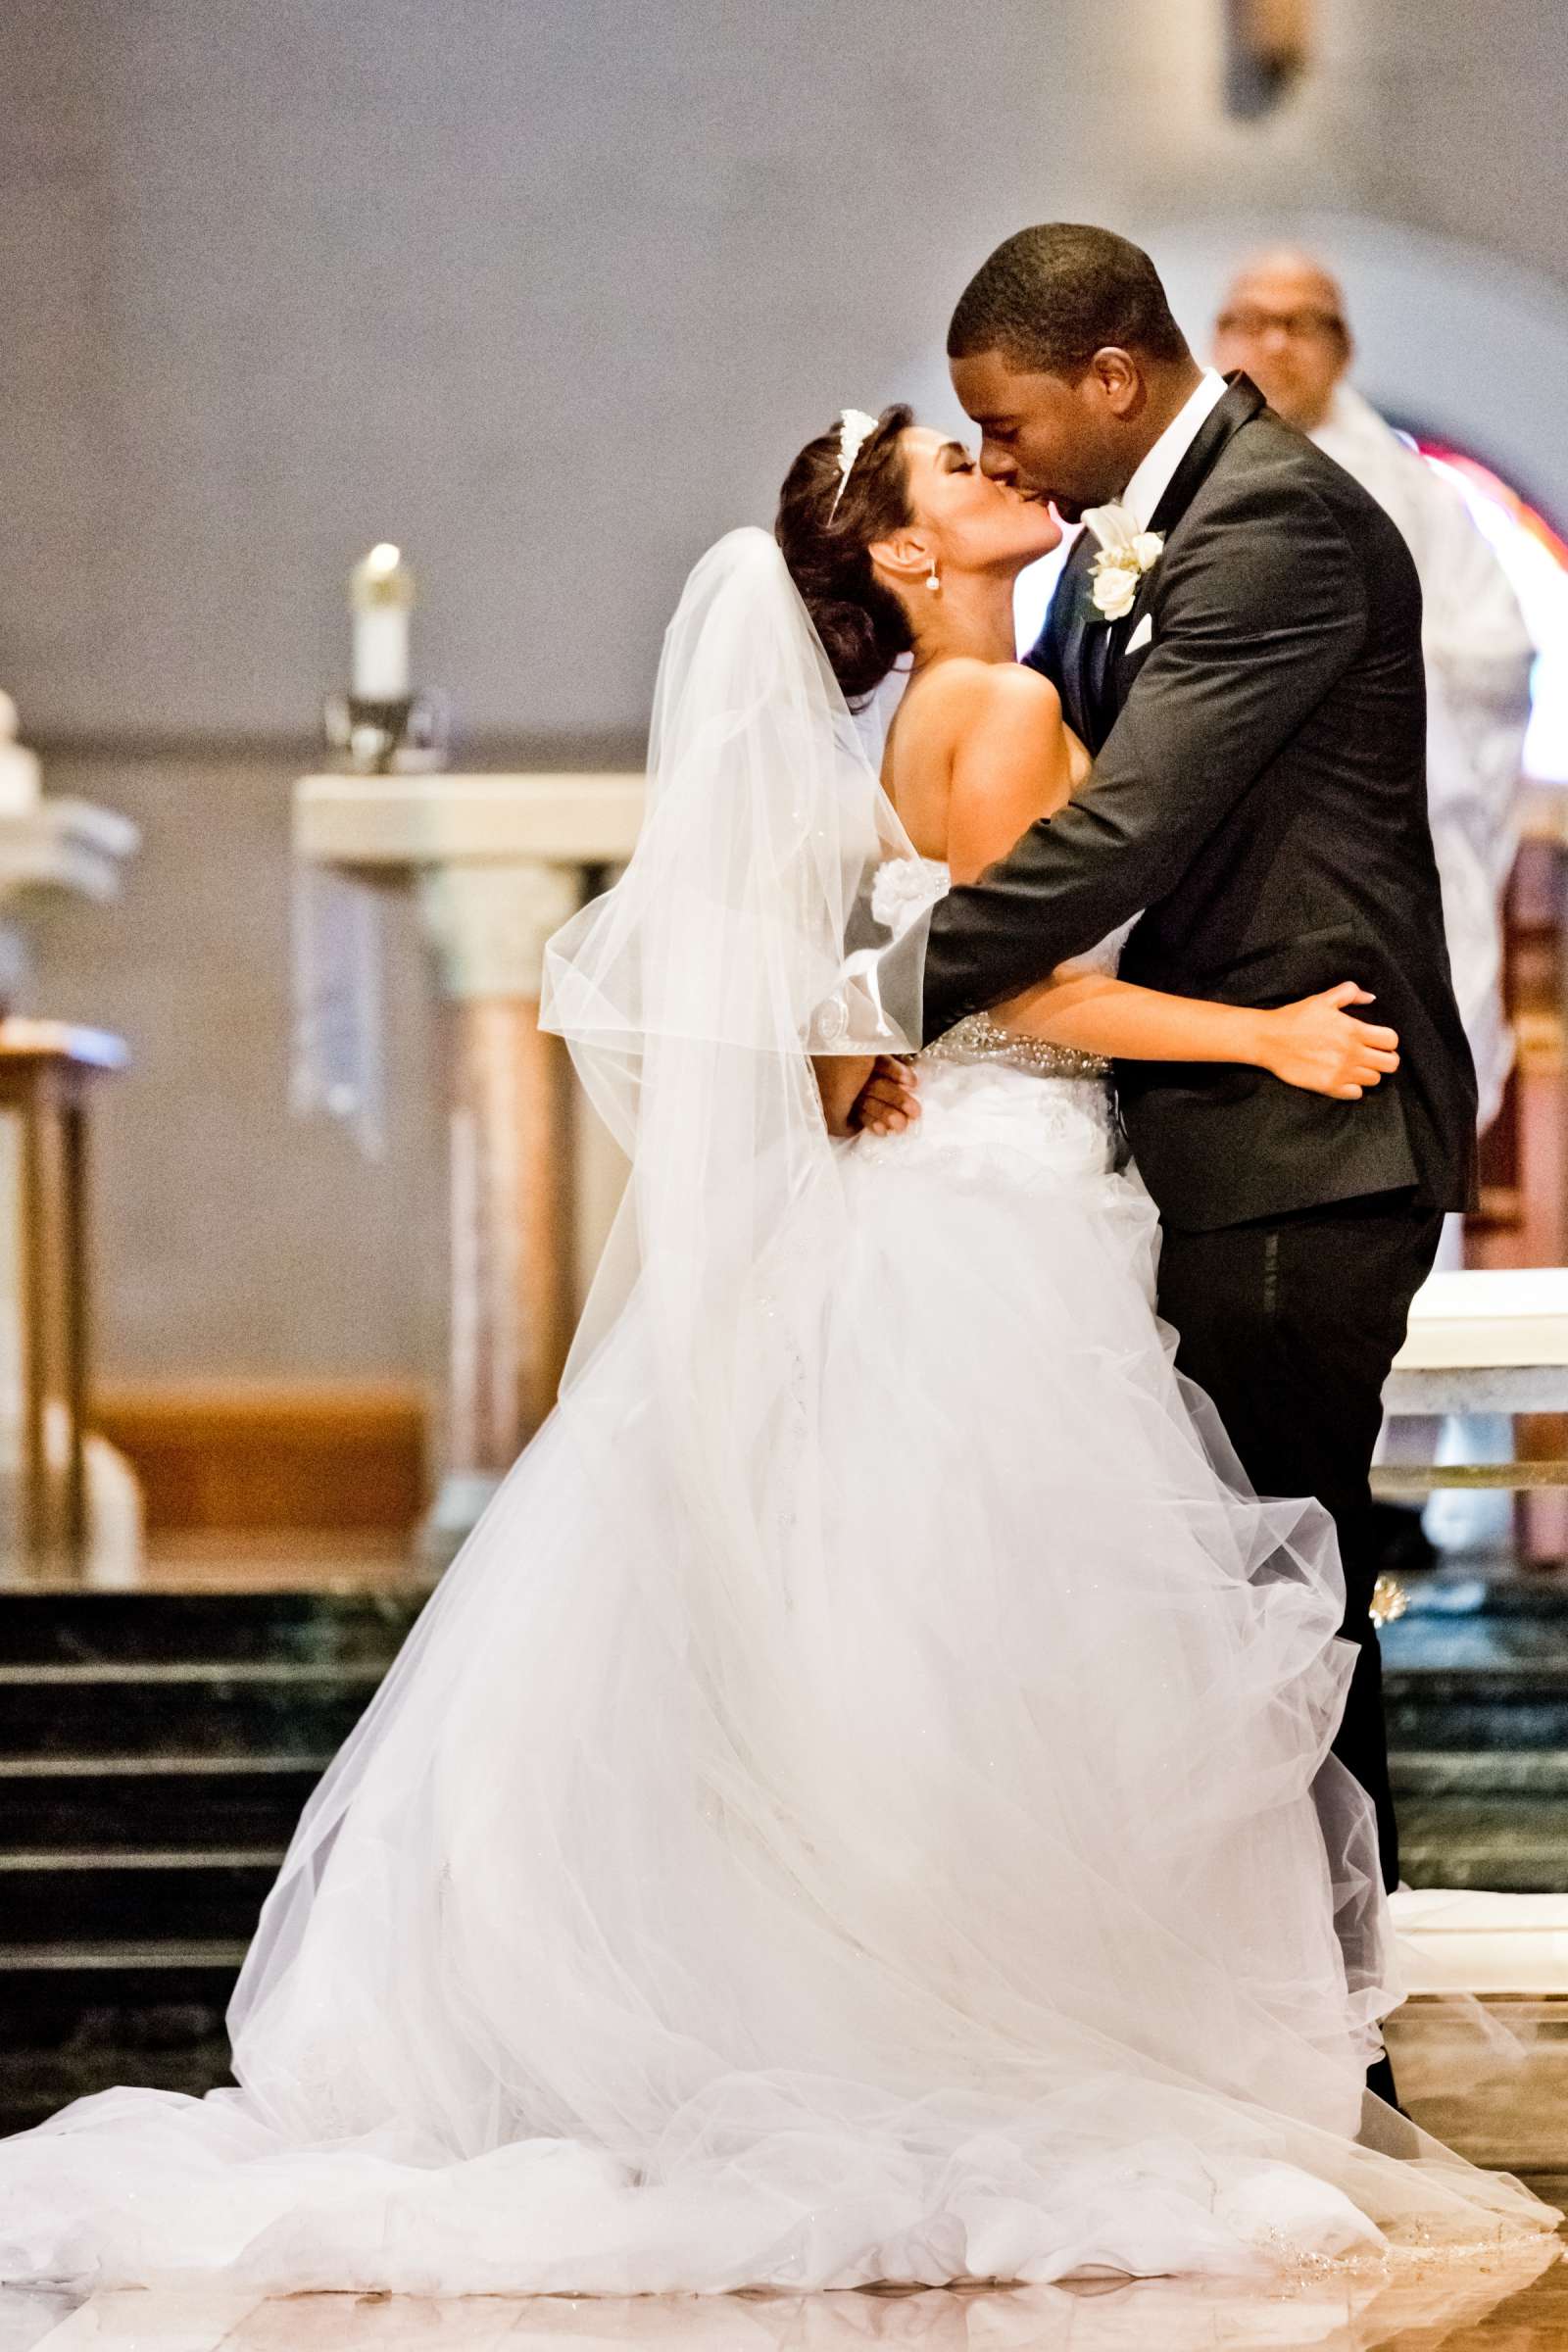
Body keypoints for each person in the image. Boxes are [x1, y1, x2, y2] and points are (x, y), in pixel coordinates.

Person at [0, 417, 1550, 2293]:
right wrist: (1268, 1043)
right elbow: (1018, 969)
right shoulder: (994, 712)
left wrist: (880, 1035)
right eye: (952, 472)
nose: (994, 476)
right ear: (903, 556)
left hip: (962, 1181)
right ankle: (1007, 2028)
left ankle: (902, 2013)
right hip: (1009, 1205)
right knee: (1010, 1642)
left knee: (912, 1635)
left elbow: (871, 978)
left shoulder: (899, 719)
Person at [858, 224, 1477, 1937]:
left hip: (1310, 1126)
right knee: (1225, 1610)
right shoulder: (1133, 547)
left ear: (1113, 380)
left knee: (1286, 1604)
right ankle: (1271, 2020)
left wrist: (875, 999)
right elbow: (1031, 819)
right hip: (1214, 1133)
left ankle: (1333, 2043)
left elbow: (1125, 835)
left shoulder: (1272, 527)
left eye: (1014, 423)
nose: (999, 460)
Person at [1214, 249, 1536, 1556]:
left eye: (1303, 325)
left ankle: (1392, 1482)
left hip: (1395, 874)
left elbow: (1495, 658)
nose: (1276, 346)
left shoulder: (1410, 491)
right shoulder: (1185, 488)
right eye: (1251, 321)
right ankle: (1256, 1471)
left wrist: (1354, 695)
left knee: (1392, 1154)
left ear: (1342, 347)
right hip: (1237, 905)